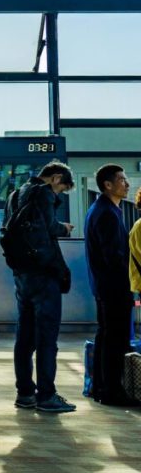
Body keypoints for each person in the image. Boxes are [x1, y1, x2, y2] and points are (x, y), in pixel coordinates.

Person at [4, 161, 76, 413]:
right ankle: (47, 395)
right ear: (56, 178)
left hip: (22, 274)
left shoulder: (15, 194)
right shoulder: (43, 193)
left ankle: (25, 393)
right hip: (44, 273)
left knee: (24, 338)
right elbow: (49, 227)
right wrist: (64, 228)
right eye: (62, 189)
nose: (60, 195)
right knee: (47, 338)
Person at [85, 164, 137, 407]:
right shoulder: (107, 213)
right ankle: (112, 390)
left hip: (104, 286)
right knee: (114, 339)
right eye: (122, 179)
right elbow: (114, 255)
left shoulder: (99, 209)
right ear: (108, 185)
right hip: (114, 287)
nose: (126, 184)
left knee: (105, 336)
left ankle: (100, 386)